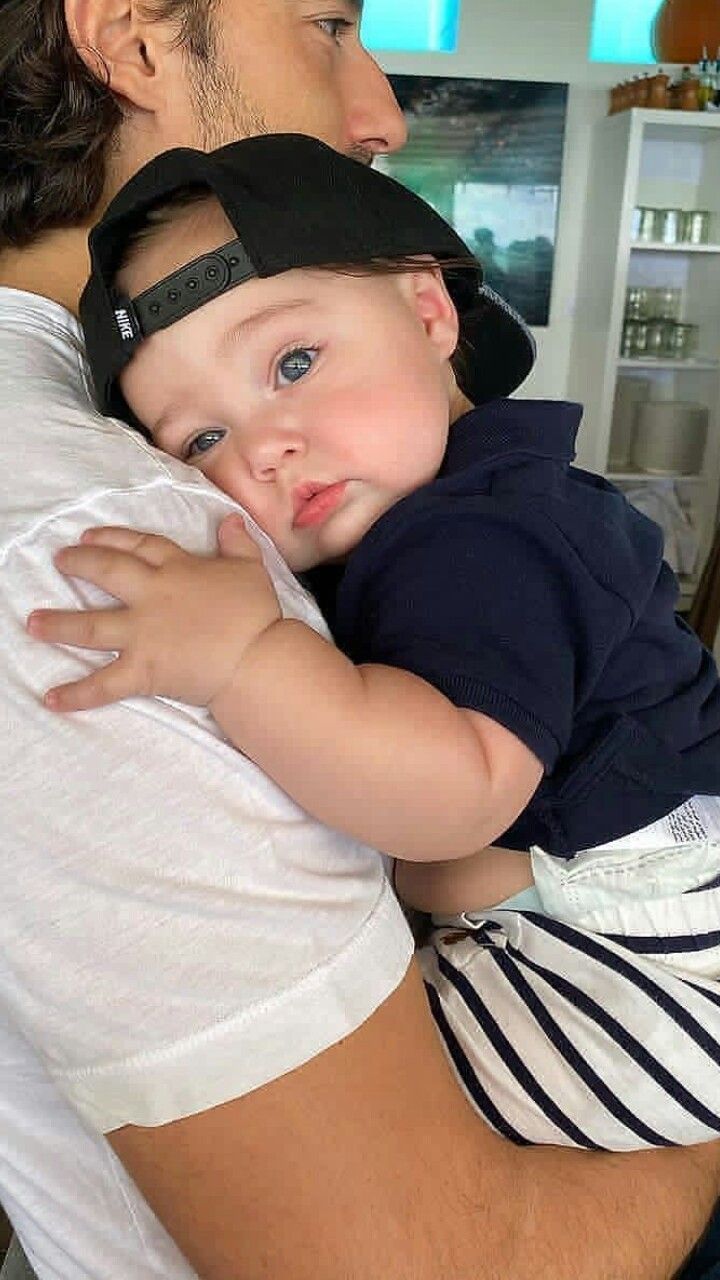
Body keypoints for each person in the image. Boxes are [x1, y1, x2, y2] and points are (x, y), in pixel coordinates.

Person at [0, 0, 719, 1275]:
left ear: (432, 315)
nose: (260, 446)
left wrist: (249, 661)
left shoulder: (483, 538)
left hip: (652, 975)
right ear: (128, 35)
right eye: (202, 442)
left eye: (289, 365)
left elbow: (449, 802)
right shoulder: (93, 513)